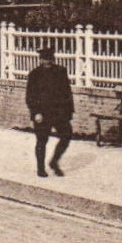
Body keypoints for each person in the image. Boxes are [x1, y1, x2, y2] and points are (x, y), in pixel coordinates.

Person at [25, 47, 74, 178]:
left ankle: (54, 161)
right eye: (44, 59)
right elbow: (30, 96)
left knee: (67, 135)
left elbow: (67, 93)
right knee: (42, 140)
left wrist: (69, 112)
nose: (47, 62)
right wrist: (35, 113)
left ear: (53, 59)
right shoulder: (34, 74)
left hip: (59, 112)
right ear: (40, 60)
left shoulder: (61, 72)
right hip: (42, 113)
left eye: (50, 59)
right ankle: (40, 168)